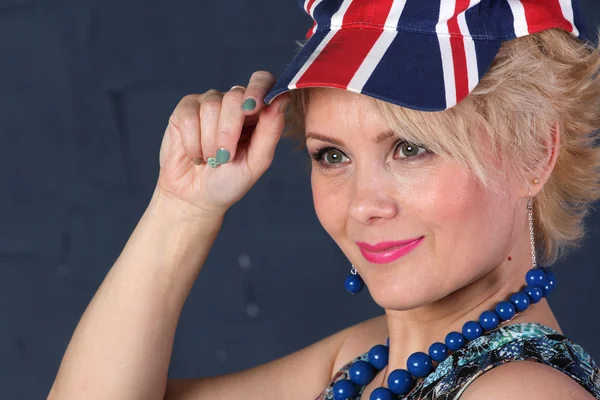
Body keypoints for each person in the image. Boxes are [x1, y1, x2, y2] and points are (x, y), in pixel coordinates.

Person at [48, 0, 600, 399]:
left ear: (533, 153)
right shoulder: (367, 361)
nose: (363, 204)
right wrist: (182, 208)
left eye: (411, 148)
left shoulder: (521, 391)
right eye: (332, 155)